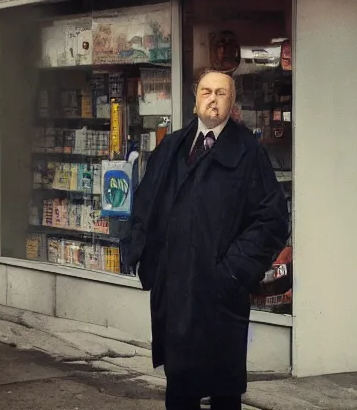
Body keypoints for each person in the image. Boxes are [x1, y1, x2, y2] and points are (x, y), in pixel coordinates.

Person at [121, 69, 289, 410]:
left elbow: (272, 220)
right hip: (175, 290)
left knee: (223, 390)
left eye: (221, 93)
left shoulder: (247, 151)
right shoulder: (172, 146)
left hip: (219, 293)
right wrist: (141, 254)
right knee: (179, 387)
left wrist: (232, 272)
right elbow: (146, 202)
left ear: (232, 102)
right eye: (206, 92)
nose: (213, 99)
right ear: (195, 100)